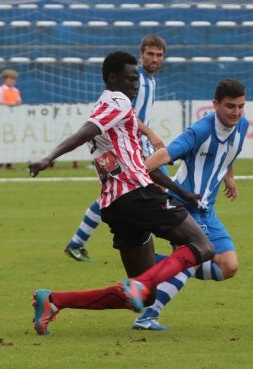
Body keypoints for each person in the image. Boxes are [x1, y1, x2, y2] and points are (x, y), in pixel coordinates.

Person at [28, 50, 215, 335]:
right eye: (130, 78)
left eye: (137, 78)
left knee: (146, 296)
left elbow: (139, 164)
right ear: (112, 78)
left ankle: (53, 301)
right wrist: (49, 157)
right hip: (137, 195)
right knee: (203, 247)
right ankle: (140, 284)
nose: (135, 84)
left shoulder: (111, 114)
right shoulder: (117, 101)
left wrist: (180, 192)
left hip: (117, 206)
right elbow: (85, 131)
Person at [132, 78, 248, 331]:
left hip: (207, 209)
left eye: (241, 106)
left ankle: (153, 262)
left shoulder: (243, 125)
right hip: (182, 204)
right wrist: (137, 170)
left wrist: (229, 176)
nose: (236, 112)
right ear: (215, 104)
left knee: (229, 266)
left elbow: (230, 152)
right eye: (230, 106)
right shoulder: (200, 130)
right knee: (192, 257)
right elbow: (167, 154)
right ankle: (147, 317)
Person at [64, 34, 168, 262]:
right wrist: (149, 133)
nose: (154, 59)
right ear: (141, 55)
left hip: (141, 149)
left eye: (158, 55)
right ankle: (168, 250)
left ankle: (77, 242)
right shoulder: (134, 78)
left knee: (136, 196)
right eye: (150, 54)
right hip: (130, 149)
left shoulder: (150, 81)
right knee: (148, 195)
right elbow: (125, 111)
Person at [0, 68, 22, 169]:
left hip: (14, 118)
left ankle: (9, 163)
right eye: (11, 78)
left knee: (11, 140)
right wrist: (9, 104)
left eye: (14, 79)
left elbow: (19, 102)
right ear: (5, 79)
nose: (13, 81)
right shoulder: (0, 90)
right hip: (2, 117)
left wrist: (17, 105)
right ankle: (1, 163)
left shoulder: (16, 91)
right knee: (2, 140)